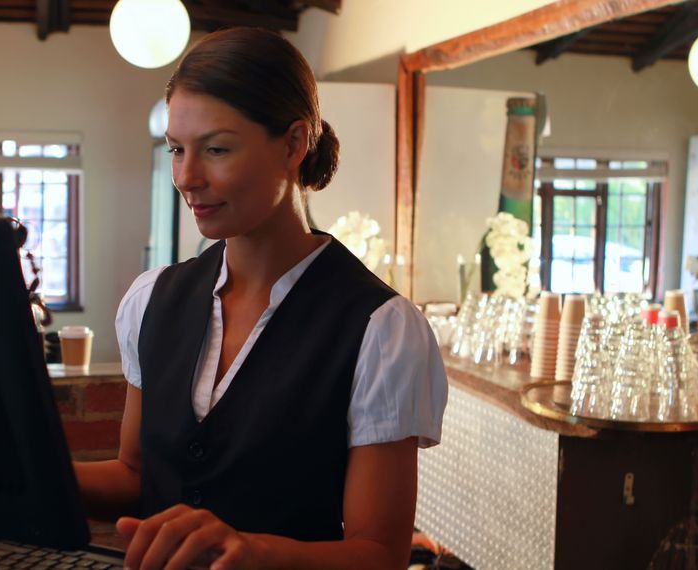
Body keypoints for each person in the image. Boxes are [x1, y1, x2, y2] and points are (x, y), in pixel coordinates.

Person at [74, 27, 448, 570]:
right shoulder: (151, 299)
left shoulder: (381, 329)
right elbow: (135, 476)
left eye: (217, 149)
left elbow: (379, 555)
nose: (187, 177)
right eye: (178, 149)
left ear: (294, 144)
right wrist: (17, 471)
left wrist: (255, 552)